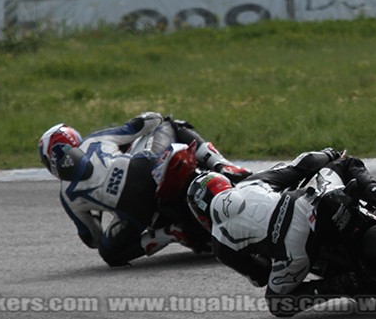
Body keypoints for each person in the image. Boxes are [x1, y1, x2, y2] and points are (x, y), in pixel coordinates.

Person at [190, 148, 376, 317]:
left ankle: (343, 283)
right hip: (308, 205)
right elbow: (303, 164)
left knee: (278, 303)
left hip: (295, 254)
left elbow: (260, 276)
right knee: (347, 163)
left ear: (202, 217)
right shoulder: (250, 183)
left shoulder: (219, 243)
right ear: (225, 184)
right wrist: (330, 154)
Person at [37, 112, 251, 267]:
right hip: (146, 170)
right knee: (171, 123)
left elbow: (92, 239)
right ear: (75, 138)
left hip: (135, 214)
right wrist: (150, 120)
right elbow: (147, 121)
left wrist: (98, 210)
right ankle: (221, 164)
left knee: (109, 253)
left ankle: (169, 233)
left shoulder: (67, 195)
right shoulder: (95, 140)